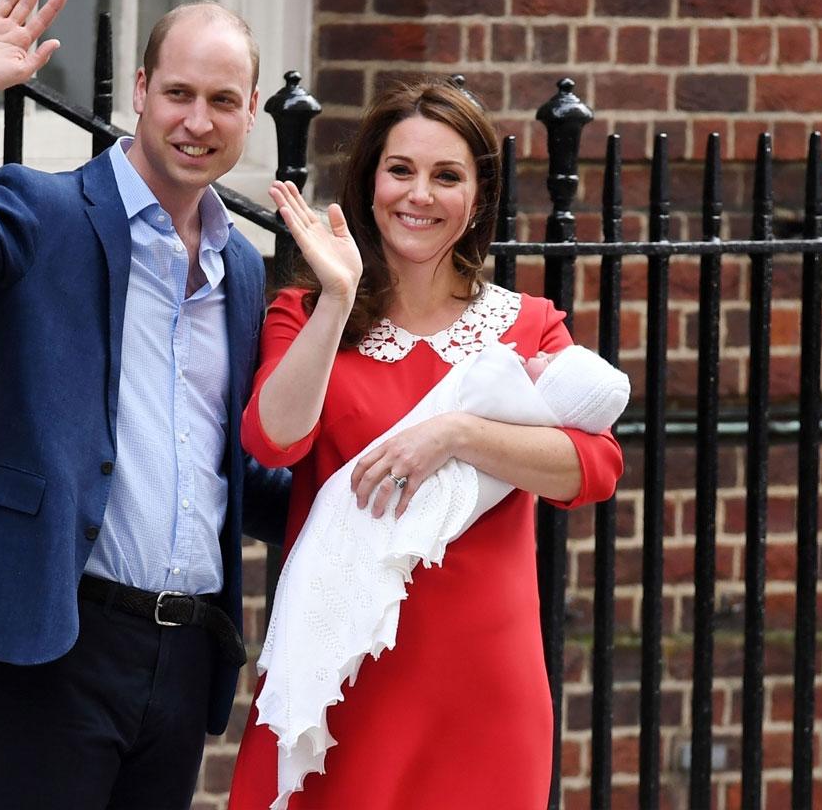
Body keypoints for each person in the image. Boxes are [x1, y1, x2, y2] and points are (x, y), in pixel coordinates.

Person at [0, 0, 289, 810]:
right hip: (54, 640)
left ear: (251, 111)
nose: (197, 121)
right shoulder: (41, 210)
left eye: (221, 99)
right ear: (140, 91)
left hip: (184, 651)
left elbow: (233, 470)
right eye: (177, 92)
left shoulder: (242, 269)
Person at [227, 80, 625, 809]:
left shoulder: (525, 324)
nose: (420, 194)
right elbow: (274, 440)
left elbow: (595, 468)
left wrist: (457, 433)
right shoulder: (306, 311)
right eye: (401, 169)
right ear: (371, 180)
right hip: (344, 672)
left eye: (447, 176)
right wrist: (339, 298)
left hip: (482, 685)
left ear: (477, 199)